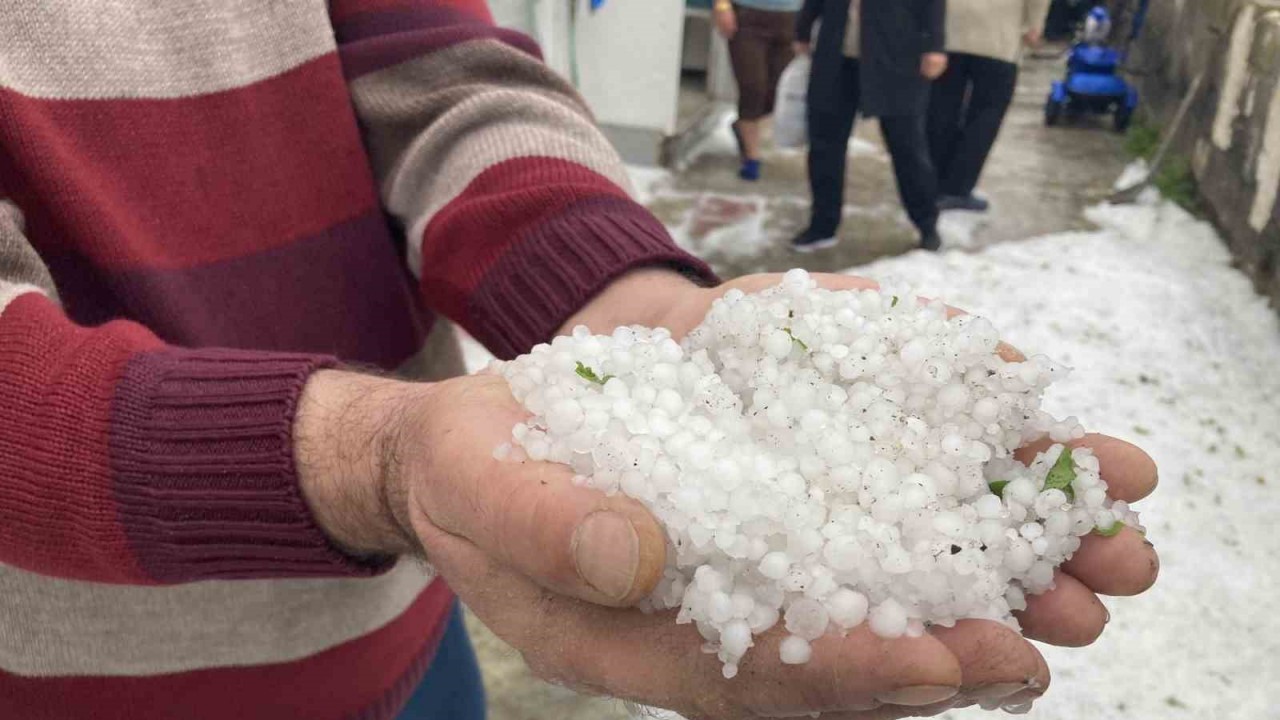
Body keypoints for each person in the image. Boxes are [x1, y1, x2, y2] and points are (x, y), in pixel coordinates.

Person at [0, 2, 1159, 719]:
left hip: (403, 623)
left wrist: (632, 297)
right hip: (79, 687)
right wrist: (368, 459)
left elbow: (440, 81)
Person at [791, 0, 949, 253]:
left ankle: (926, 223)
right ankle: (822, 225)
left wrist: (935, 46)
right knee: (824, 145)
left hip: (896, 57)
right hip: (835, 57)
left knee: (907, 146)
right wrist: (802, 29)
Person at [928, 0, 1051, 212]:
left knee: (942, 107)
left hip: (951, 25)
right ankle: (957, 188)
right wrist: (1034, 24)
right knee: (987, 112)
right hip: (1000, 33)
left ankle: (932, 182)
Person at [713, 0, 804, 181]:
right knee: (752, 87)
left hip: (792, 17)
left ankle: (742, 125)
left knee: (780, 92)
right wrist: (722, 6)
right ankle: (752, 157)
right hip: (747, 16)